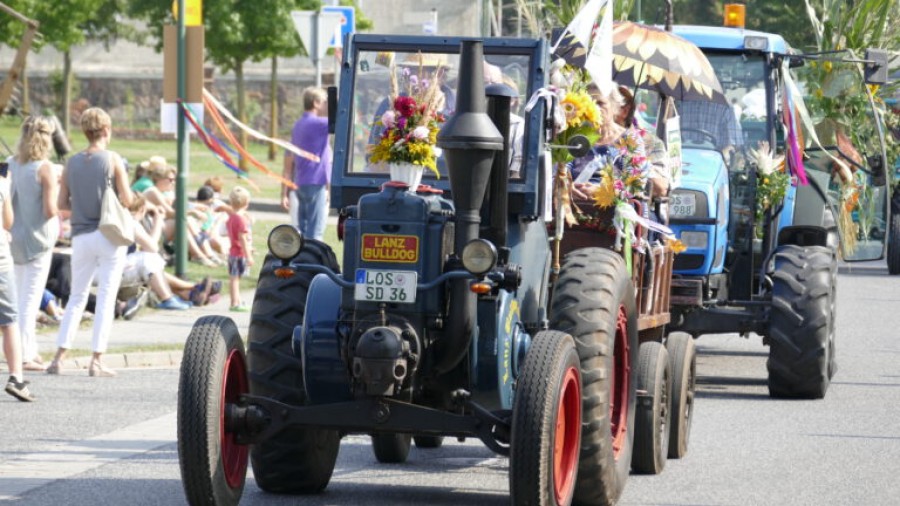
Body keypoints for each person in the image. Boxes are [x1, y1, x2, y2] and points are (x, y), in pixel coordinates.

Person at [47, 107, 134, 378]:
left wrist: (83, 206)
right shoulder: (112, 159)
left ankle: (59, 357)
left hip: (81, 235)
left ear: (85, 132)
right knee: (107, 297)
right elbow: (128, 199)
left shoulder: (71, 163)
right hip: (108, 234)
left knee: (76, 297)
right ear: (106, 130)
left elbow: (61, 204)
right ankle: (96, 359)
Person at [8, 116, 60, 371]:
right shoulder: (45, 168)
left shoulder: (9, 164)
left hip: (12, 238)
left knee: (15, 296)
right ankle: (25, 354)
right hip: (38, 240)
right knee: (30, 299)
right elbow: (50, 210)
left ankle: (26, 349)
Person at [126, 194, 214, 310]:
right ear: (142, 209)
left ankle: (189, 294)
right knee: (150, 261)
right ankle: (193, 288)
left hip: (118, 267)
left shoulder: (121, 218)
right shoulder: (131, 222)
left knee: (151, 268)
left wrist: (151, 208)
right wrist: (157, 219)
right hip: (121, 270)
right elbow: (152, 248)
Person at [1, 171, 35, 401]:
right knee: (9, 321)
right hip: (0, 263)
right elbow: (8, 221)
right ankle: (16, 377)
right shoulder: (2, 184)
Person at [282, 87, 331, 241]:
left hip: (301, 182)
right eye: (325, 102)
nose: (327, 105)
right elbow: (346, 121)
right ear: (316, 103)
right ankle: (312, 262)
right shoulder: (319, 124)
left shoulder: (299, 124)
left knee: (302, 232)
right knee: (315, 233)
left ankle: (301, 261)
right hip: (315, 182)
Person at [615, 86, 671, 198]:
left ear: (625, 110)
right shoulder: (583, 138)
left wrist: (638, 161)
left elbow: (660, 188)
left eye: (601, 104)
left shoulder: (651, 143)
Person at [676, 99, 744, 160]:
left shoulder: (679, 105)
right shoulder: (725, 107)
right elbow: (736, 142)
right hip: (687, 159)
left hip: (688, 159)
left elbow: (734, 144)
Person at [226, 186, 253, 312]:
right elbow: (242, 239)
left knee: (234, 278)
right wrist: (249, 256)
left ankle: (236, 300)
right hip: (239, 253)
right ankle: (235, 302)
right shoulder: (241, 220)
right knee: (235, 279)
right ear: (246, 203)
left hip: (232, 251)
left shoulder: (231, 217)